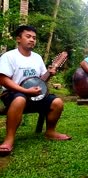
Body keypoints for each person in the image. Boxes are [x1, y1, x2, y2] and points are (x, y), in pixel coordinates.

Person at [0, 25, 71, 156]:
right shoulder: (9, 56)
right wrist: (25, 91)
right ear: (18, 39)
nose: (32, 40)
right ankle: (9, 139)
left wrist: (50, 73)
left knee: (57, 103)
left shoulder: (37, 57)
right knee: (20, 98)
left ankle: (50, 131)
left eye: (34, 38)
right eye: (28, 36)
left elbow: (41, 80)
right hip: (13, 93)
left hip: (35, 94)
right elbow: (4, 80)